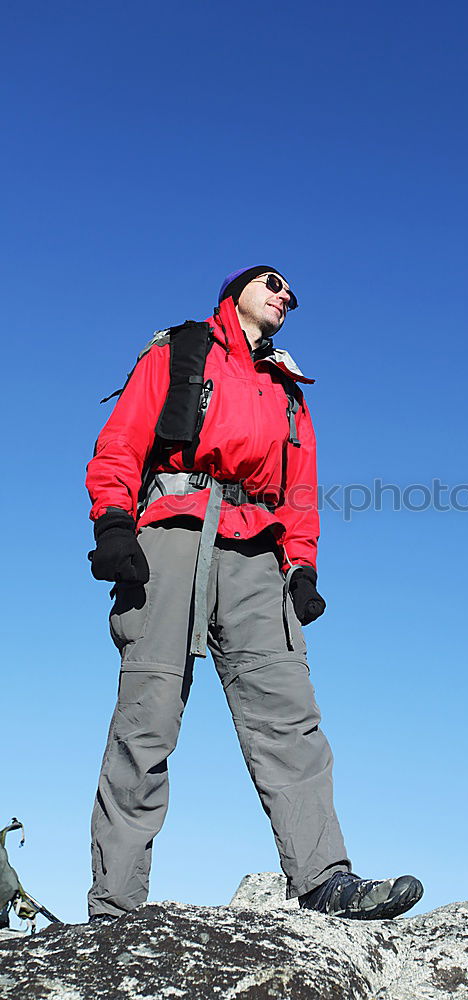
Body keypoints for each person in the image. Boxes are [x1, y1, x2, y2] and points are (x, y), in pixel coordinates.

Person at [85, 266, 423, 922]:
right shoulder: (177, 351)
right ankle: (115, 909)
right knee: (144, 721)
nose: (285, 296)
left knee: (289, 715)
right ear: (234, 289)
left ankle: (325, 881)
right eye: (273, 282)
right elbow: (121, 442)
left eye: (292, 295)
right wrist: (112, 521)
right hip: (172, 534)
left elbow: (300, 491)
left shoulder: (288, 391)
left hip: (255, 553)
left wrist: (301, 567)